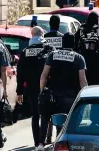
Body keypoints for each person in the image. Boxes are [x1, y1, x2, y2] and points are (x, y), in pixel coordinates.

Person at [38, 33, 88, 150]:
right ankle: (59, 144)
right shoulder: (78, 58)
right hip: (70, 97)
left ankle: (41, 144)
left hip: (52, 95)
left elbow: (43, 76)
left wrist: (42, 92)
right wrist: (85, 96)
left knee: (45, 116)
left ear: (62, 42)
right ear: (74, 43)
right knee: (65, 123)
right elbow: (82, 81)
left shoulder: (53, 55)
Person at [16, 26, 55, 151]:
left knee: (34, 115)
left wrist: (19, 92)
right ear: (42, 35)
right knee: (44, 114)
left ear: (32, 36)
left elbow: (20, 73)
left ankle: (36, 141)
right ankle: (41, 143)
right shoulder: (49, 49)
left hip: (31, 89)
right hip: (46, 88)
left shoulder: (25, 51)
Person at [43, 15, 64, 144]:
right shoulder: (62, 37)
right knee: (58, 108)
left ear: (49, 25)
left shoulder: (44, 38)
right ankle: (58, 135)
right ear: (58, 24)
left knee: (48, 108)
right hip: (59, 75)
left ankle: (48, 137)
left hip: (47, 74)